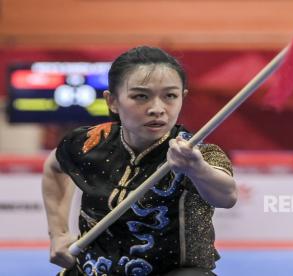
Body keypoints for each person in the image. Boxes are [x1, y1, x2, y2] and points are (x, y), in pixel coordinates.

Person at [42, 46, 238, 276]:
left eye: (170, 96)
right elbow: (54, 168)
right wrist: (59, 234)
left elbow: (227, 196)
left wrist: (197, 169)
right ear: (112, 101)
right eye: (140, 96)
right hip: (92, 269)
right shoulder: (90, 142)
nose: (157, 109)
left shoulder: (196, 153)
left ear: (182, 97)